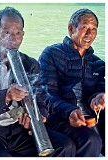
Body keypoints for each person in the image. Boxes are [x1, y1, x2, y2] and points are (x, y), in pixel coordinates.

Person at [0, 6, 76, 157]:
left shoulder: (30, 64)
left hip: (19, 128)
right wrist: (6, 96)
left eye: (18, 33)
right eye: (6, 32)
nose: (13, 39)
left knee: (65, 146)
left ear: (23, 36)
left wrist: (39, 115)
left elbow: (41, 100)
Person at [38, 8, 105, 157]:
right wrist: (69, 111)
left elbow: (100, 88)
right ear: (71, 28)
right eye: (85, 28)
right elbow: (46, 93)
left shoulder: (97, 63)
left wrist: (99, 96)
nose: (90, 34)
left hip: (91, 117)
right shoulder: (51, 54)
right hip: (59, 117)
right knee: (91, 140)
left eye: (93, 29)